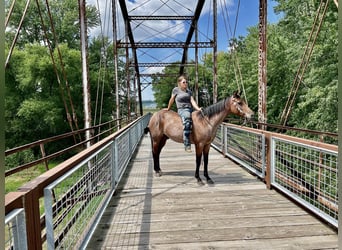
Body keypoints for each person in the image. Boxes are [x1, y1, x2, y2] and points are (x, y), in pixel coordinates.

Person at [164, 75, 202, 152]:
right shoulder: (176, 90)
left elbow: (192, 101)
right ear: (179, 83)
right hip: (182, 110)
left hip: (190, 109)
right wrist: (168, 108)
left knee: (200, 120)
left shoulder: (189, 91)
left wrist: (198, 109)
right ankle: (187, 144)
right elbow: (172, 99)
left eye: (186, 82)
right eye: (183, 82)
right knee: (187, 120)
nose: (185, 83)